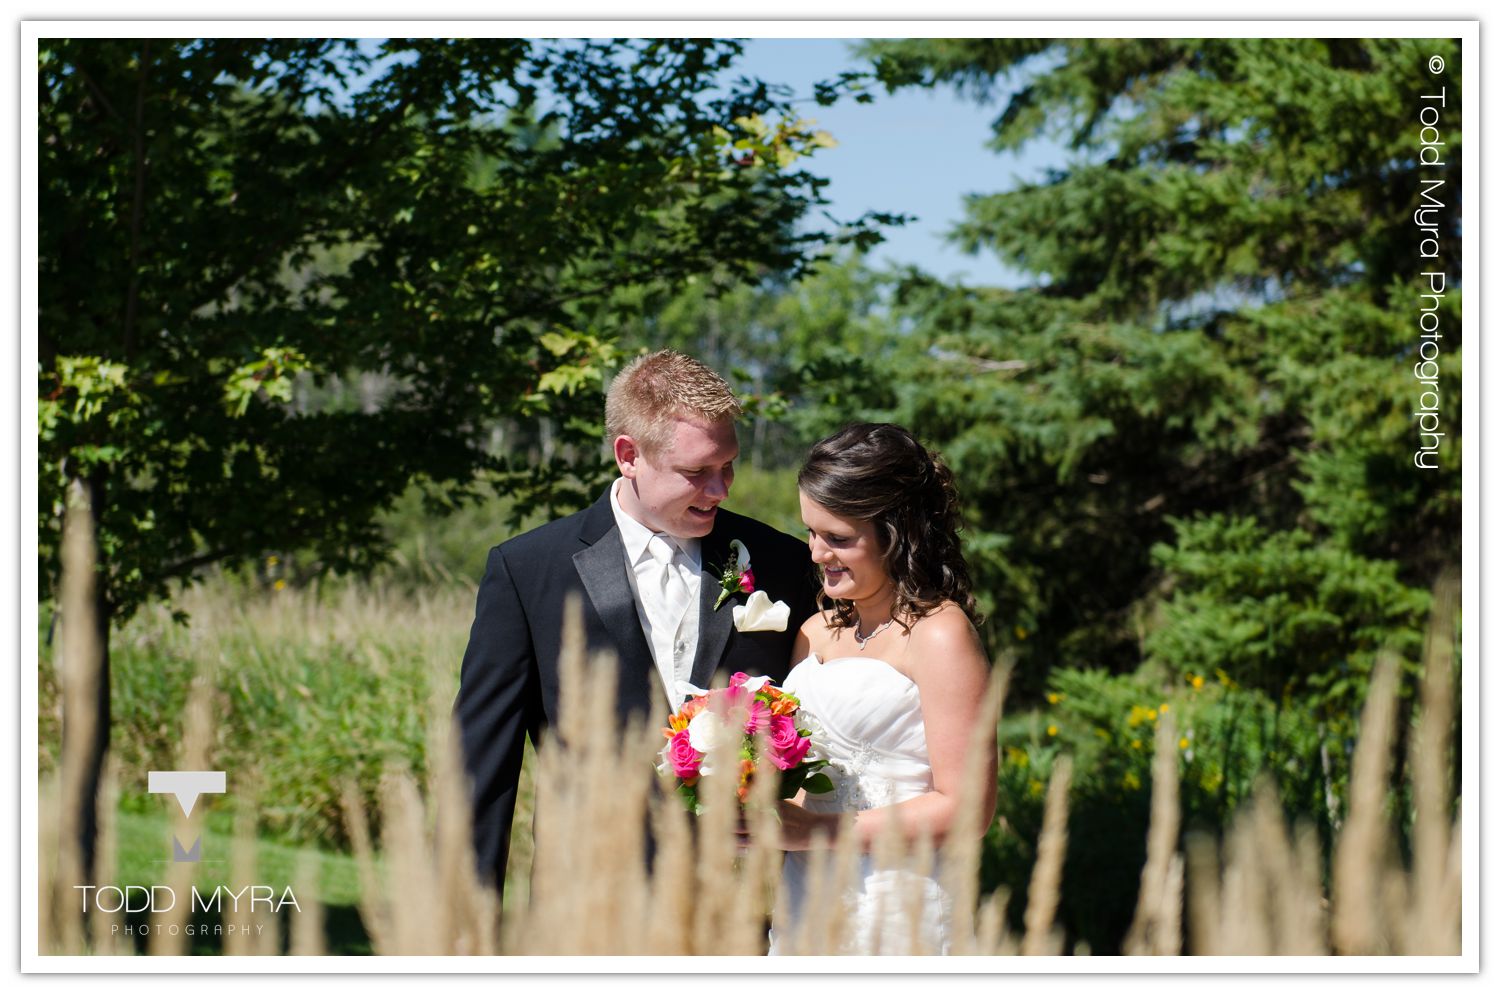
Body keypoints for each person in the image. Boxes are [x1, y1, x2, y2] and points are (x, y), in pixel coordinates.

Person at [454, 349, 819, 898]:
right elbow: (481, 766)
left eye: (728, 467)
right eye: (697, 473)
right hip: (586, 902)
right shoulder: (529, 569)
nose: (721, 490)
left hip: (744, 903)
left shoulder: (784, 561)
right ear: (628, 454)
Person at [765, 422, 997, 956]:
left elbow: (966, 810)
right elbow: (804, 782)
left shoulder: (939, 634)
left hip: (898, 903)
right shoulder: (814, 631)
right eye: (811, 532)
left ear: (898, 533)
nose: (818, 553)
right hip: (806, 896)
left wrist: (814, 833)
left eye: (839, 539)